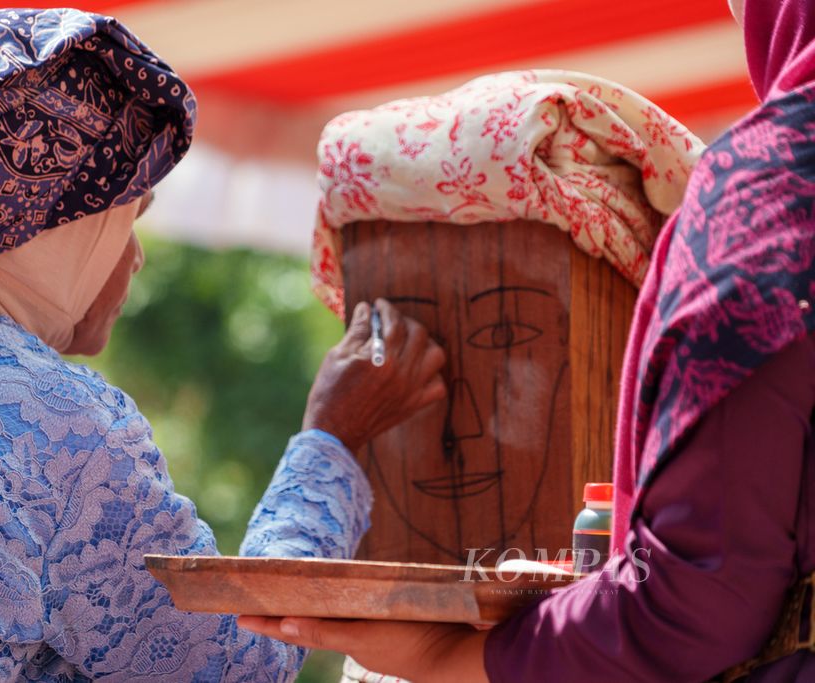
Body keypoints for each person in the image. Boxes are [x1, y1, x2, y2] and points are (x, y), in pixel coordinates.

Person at [0, 9, 446, 682]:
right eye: (125, 218)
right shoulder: (44, 419)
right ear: (37, 236)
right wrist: (333, 439)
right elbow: (239, 664)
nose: (133, 258)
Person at [239, 0, 815, 680]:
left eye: (509, 333)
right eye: (399, 330)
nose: (460, 422)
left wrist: (446, 656)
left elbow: (696, 599)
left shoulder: (772, 190)